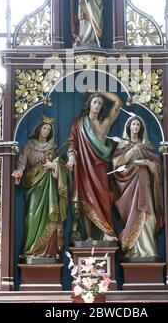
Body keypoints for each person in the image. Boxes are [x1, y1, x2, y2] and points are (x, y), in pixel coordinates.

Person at [66, 90, 122, 241]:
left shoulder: (105, 124)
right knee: (86, 199)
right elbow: (72, 142)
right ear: (89, 104)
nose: (97, 105)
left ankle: (107, 232)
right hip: (84, 167)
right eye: (95, 102)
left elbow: (118, 102)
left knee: (104, 198)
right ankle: (89, 236)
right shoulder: (78, 124)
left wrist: (100, 91)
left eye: (100, 103)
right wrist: (71, 157)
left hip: (101, 167)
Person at [12, 118, 67, 258]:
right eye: (44, 128)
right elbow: (22, 161)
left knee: (50, 216)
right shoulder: (29, 145)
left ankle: (48, 252)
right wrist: (18, 171)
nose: (46, 131)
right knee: (31, 216)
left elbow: (60, 165)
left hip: (49, 187)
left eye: (49, 129)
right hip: (33, 184)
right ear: (38, 129)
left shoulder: (53, 147)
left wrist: (54, 166)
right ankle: (30, 249)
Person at [113, 116, 164, 258]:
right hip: (130, 189)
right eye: (133, 124)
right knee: (133, 215)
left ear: (141, 128)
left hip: (145, 186)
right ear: (129, 127)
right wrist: (132, 150)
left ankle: (149, 251)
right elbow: (117, 165)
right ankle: (133, 251)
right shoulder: (123, 146)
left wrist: (148, 163)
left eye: (138, 125)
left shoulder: (147, 147)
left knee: (149, 217)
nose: (135, 127)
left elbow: (158, 169)